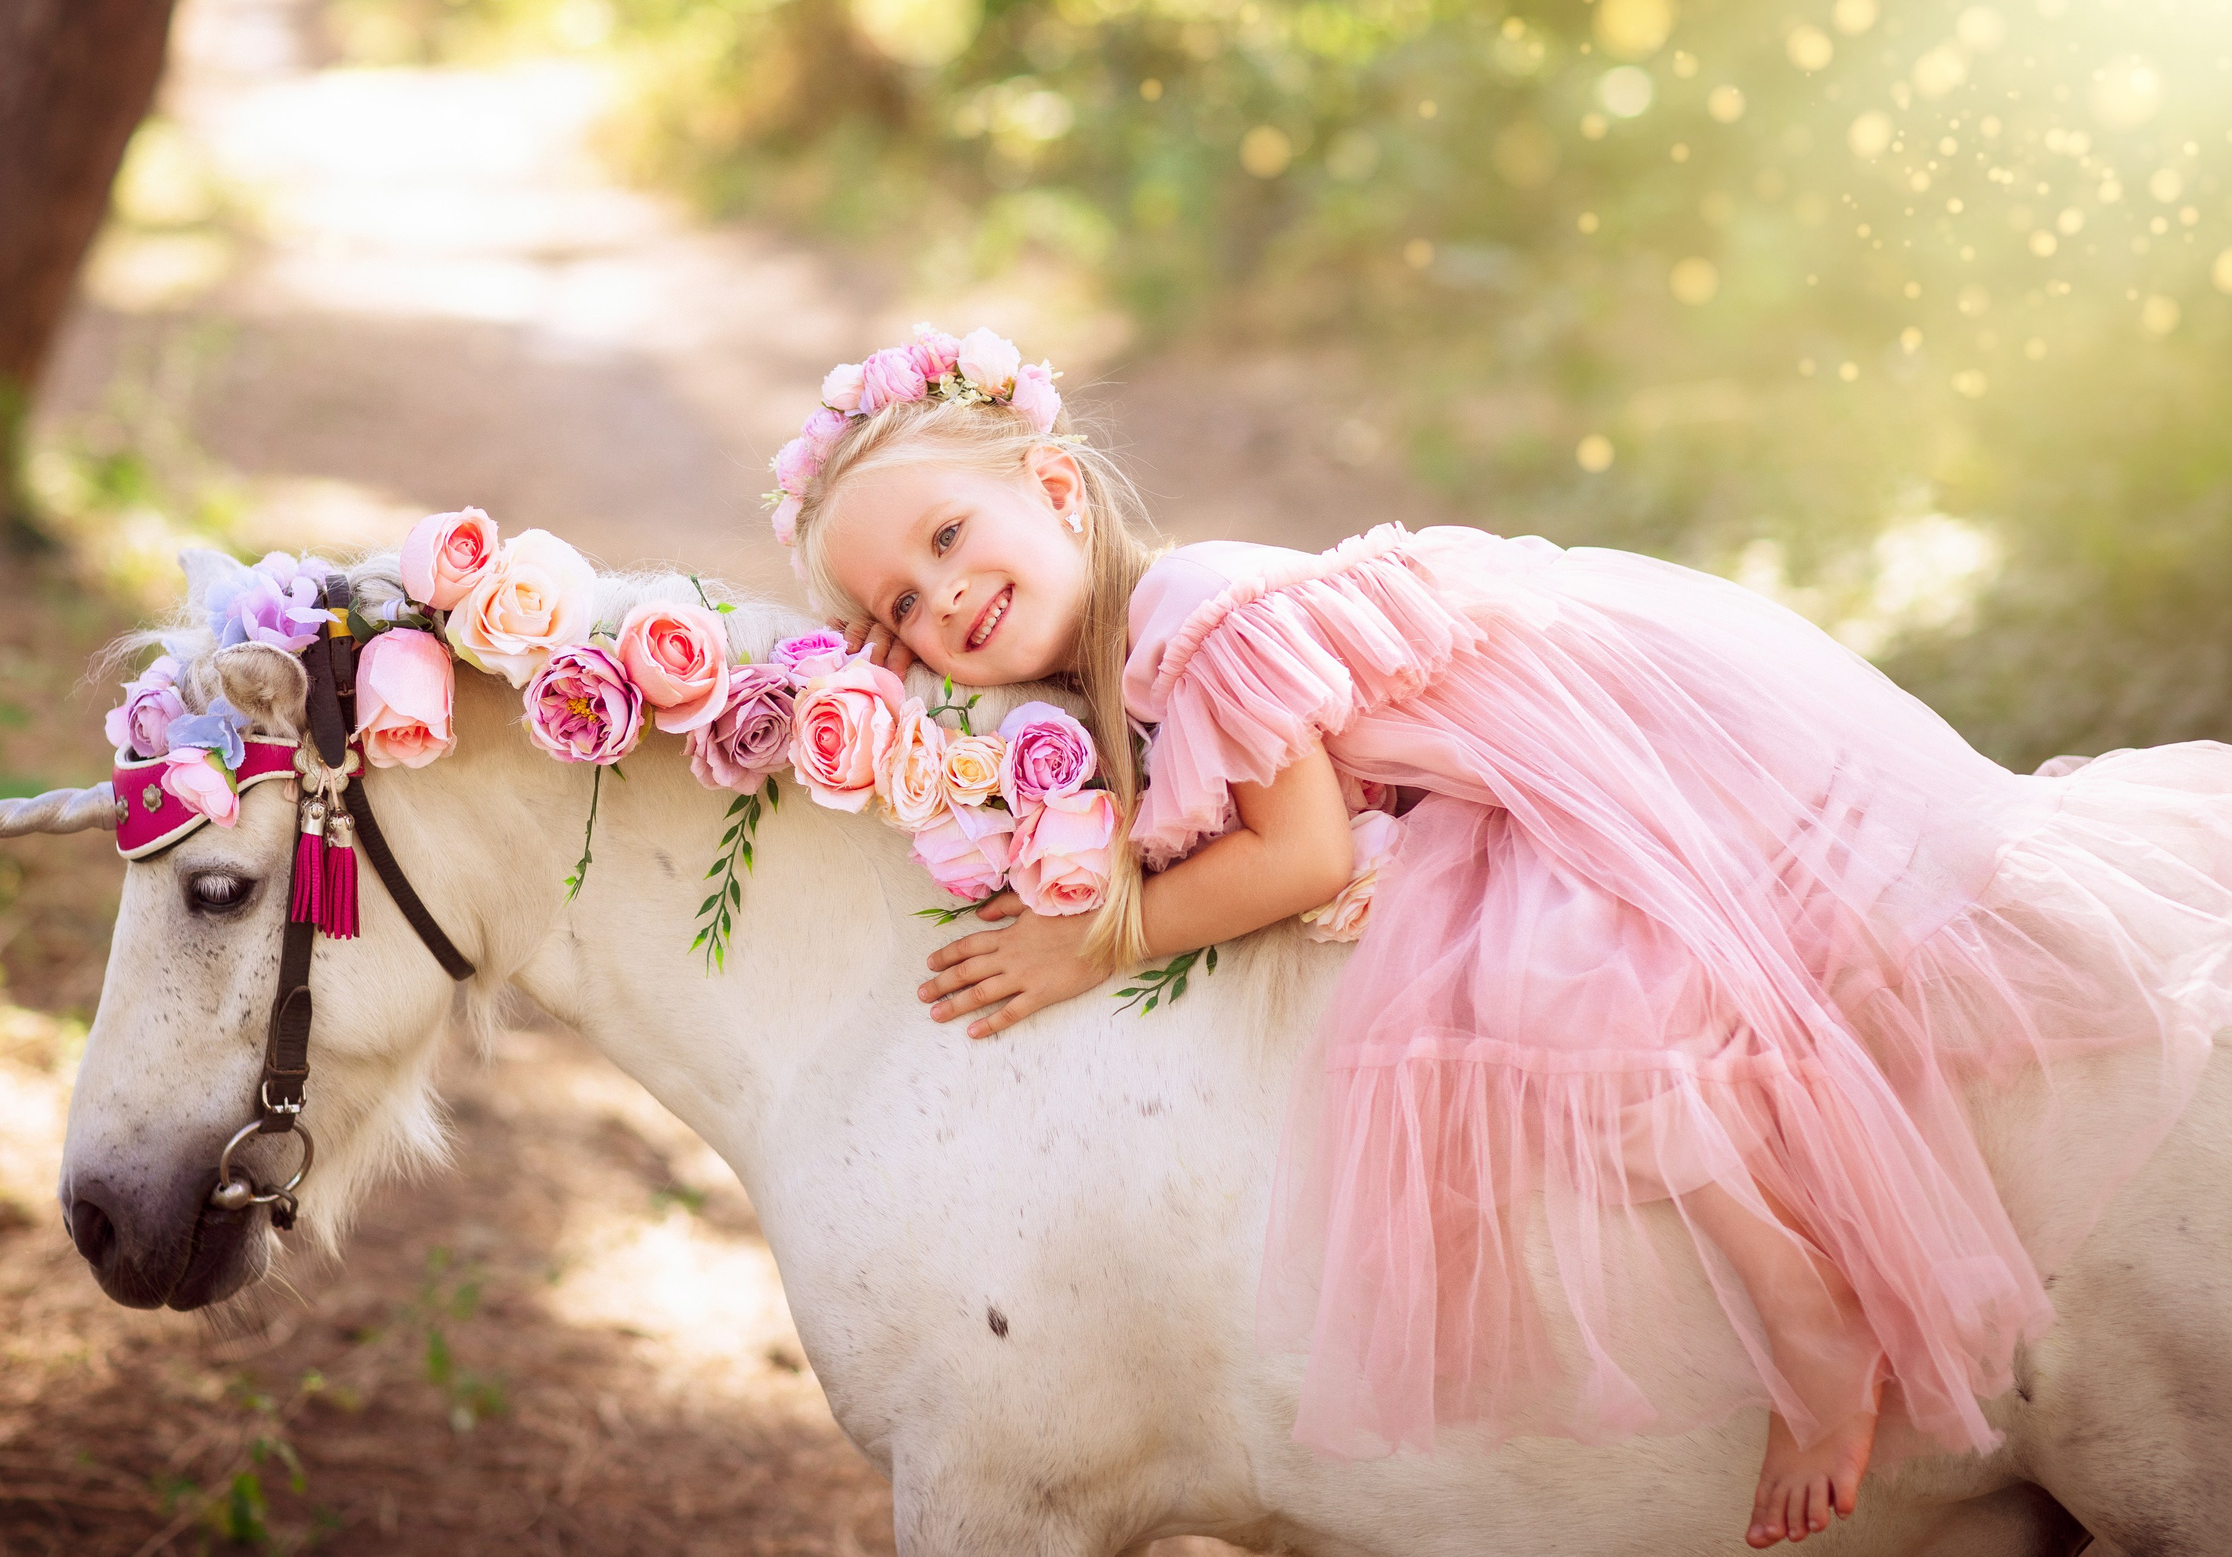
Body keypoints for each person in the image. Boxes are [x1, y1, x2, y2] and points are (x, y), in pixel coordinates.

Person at [768, 326, 2232, 1547]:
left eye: (951, 537)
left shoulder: (1192, 611)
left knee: (1568, 1004)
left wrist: (1091, 946)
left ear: (1055, 486)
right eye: (902, 603)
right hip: (1501, 762)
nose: (943, 595)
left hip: (1561, 749)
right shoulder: (1111, 661)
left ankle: (1809, 1318)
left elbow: (1302, 854)